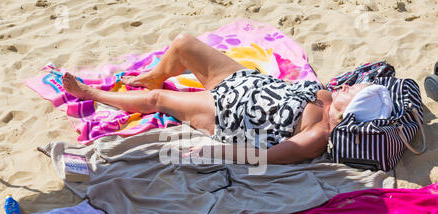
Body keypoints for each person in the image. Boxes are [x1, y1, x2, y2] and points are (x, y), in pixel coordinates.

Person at [62, 33, 373, 165]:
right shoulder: (327, 96)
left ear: (351, 112)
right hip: (242, 80)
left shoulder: (319, 135)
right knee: (183, 43)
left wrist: (217, 152)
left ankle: (89, 93)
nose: (347, 87)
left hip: (228, 113)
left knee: (157, 99)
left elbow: (266, 158)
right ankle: (156, 72)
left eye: (353, 93)